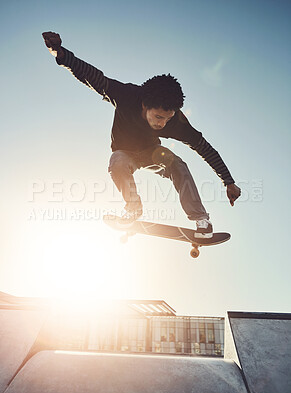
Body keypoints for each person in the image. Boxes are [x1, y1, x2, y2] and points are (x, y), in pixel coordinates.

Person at [42, 31, 241, 238]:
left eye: (167, 118)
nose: (162, 123)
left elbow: (204, 147)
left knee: (177, 164)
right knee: (117, 161)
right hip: (124, 153)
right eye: (158, 117)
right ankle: (133, 208)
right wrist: (61, 54)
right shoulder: (126, 95)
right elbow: (93, 77)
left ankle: (201, 220)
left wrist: (228, 181)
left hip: (152, 153)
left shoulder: (176, 123)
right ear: (145, 105)